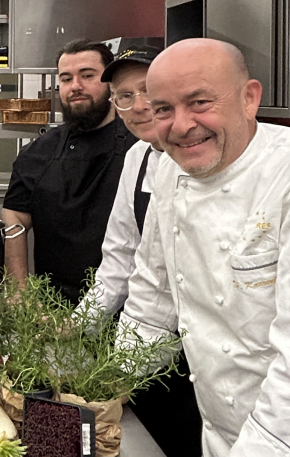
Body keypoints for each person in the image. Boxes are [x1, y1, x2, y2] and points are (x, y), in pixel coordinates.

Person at [118, 38, 290, 457]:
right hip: (218, 433)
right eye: (163, 109)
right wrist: (107, 382)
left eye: (199, 102)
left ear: (249, 98)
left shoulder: (286, 178)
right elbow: (153, 298)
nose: (180, 126)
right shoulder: (169, 170)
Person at [74, 45, 201, 456]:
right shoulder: (139, 158)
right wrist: (76, 334)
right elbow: (124, 262)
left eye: (149, 91)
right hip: (158, 354)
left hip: (209, 355)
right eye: (125, 96)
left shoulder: (205, 158)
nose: (140, 106)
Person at [2, 39, 136, 303]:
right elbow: (15, 218)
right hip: (53, 310)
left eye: (87, 75)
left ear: (110, 82)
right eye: (66, 79)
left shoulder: (139, 147)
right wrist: (20, 294)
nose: (76, 86)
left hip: (129, 313)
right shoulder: (37, 153)